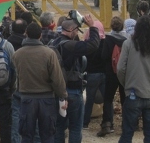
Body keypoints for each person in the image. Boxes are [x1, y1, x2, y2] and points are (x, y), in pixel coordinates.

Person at [13, 22, 68, 143]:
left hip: (26, 98)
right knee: (48, 135)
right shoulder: (49, 53)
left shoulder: (17, 54)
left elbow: (15, 77)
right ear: (40, 36)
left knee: (27, 135)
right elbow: (57, 79)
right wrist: (63, 96)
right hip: (47, 99)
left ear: (26, 34)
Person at [52, 15, 100, 143]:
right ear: (72, 30)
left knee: (59, 127)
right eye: (76, 31)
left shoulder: (53, 43)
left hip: (57, 92)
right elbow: (93, 45)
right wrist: (92, 27)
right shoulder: (70, 46)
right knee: (75, 127)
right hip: (73, 91)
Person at [117, 15, 150, 142]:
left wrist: (126, 84)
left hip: (132, 93)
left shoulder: (128, 43)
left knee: (127, 133)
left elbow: (120, 69)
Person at [97, 16, 127, 137]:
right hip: (124, 73)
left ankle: (107, 124)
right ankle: (126, 124)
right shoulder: (127, 39)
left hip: (110, 73)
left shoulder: (108, 39)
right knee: (125, 99)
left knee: (108, 99)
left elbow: (104, 56)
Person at [82, 20, 106, 130]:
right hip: (104, 74)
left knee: (90, 100)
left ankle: (85, 122)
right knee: (107, 100)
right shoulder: (106, 43)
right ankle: (107, 121)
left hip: (92, 74)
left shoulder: (89, 44)